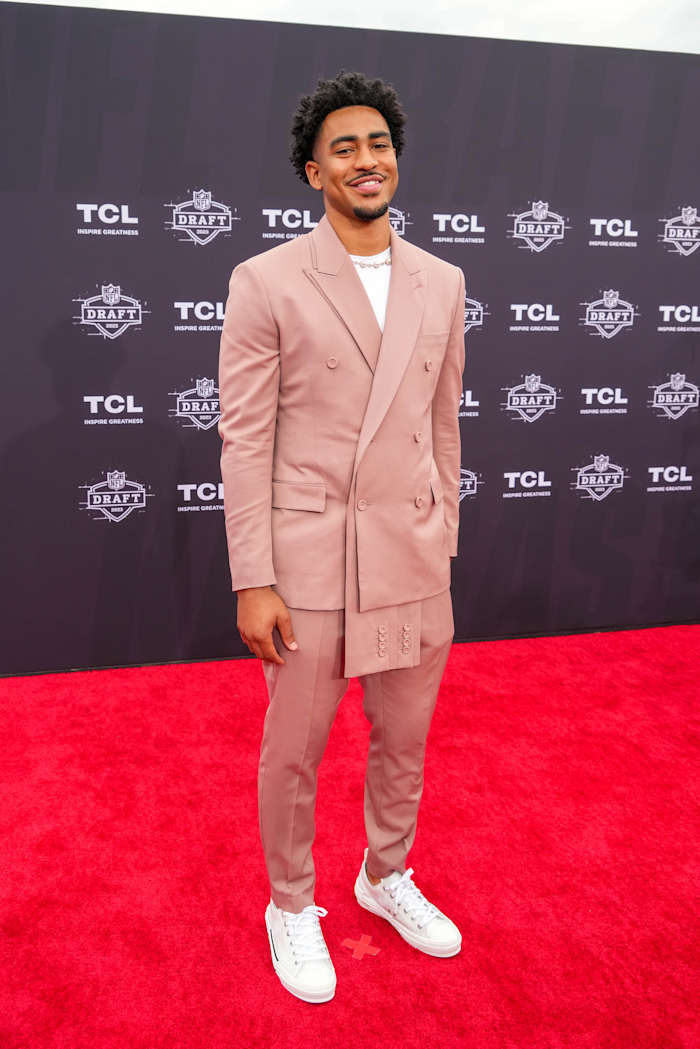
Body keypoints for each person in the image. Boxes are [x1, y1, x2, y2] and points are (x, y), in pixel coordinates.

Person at [218, 71, 466, 1004]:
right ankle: (291, 900)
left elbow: (444, 423)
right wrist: (255, 574)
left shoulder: (443, 282)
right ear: (313, 169)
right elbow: (246, 437)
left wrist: (441, 531)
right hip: (308, 560)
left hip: (408, 556)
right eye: (347, 147)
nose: (369, 160)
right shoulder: (266, 279)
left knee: (403, 738)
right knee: (296, 750)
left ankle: (385, 873)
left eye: (381, 143)